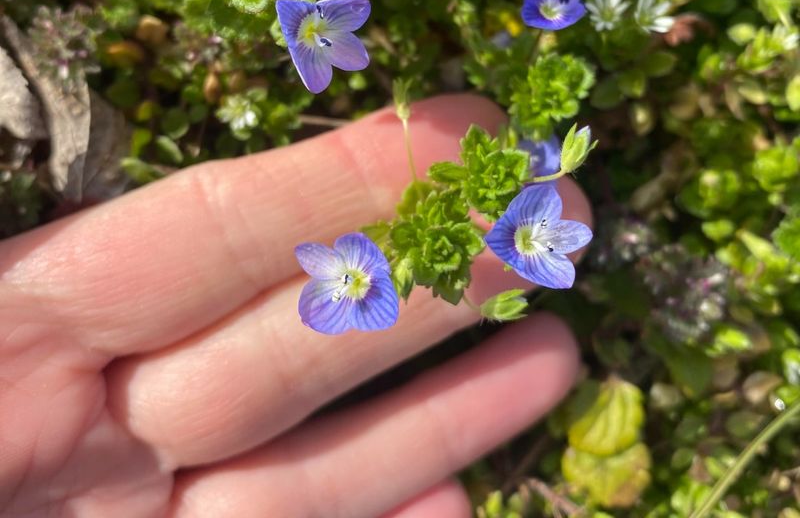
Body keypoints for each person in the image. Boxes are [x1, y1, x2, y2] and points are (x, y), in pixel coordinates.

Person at [0, 94, 591, 518]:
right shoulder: (366, 272)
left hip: (440, 248)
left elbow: (377, 266)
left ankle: (527, 229)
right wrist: (371, 277)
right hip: (384, 263)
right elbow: (366, 269)